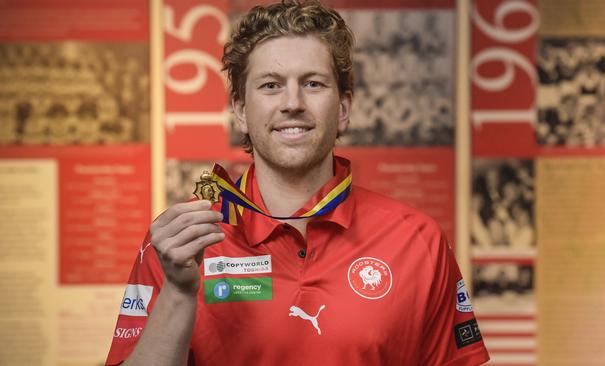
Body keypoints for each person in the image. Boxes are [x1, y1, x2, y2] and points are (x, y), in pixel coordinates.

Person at [105, 1, 490, 365]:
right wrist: (178, 290)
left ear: (343, 109)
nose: (292, 102)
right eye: (270, 85)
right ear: (240, 110)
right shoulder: (179, 243)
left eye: (313, 84)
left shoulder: (418, 240)